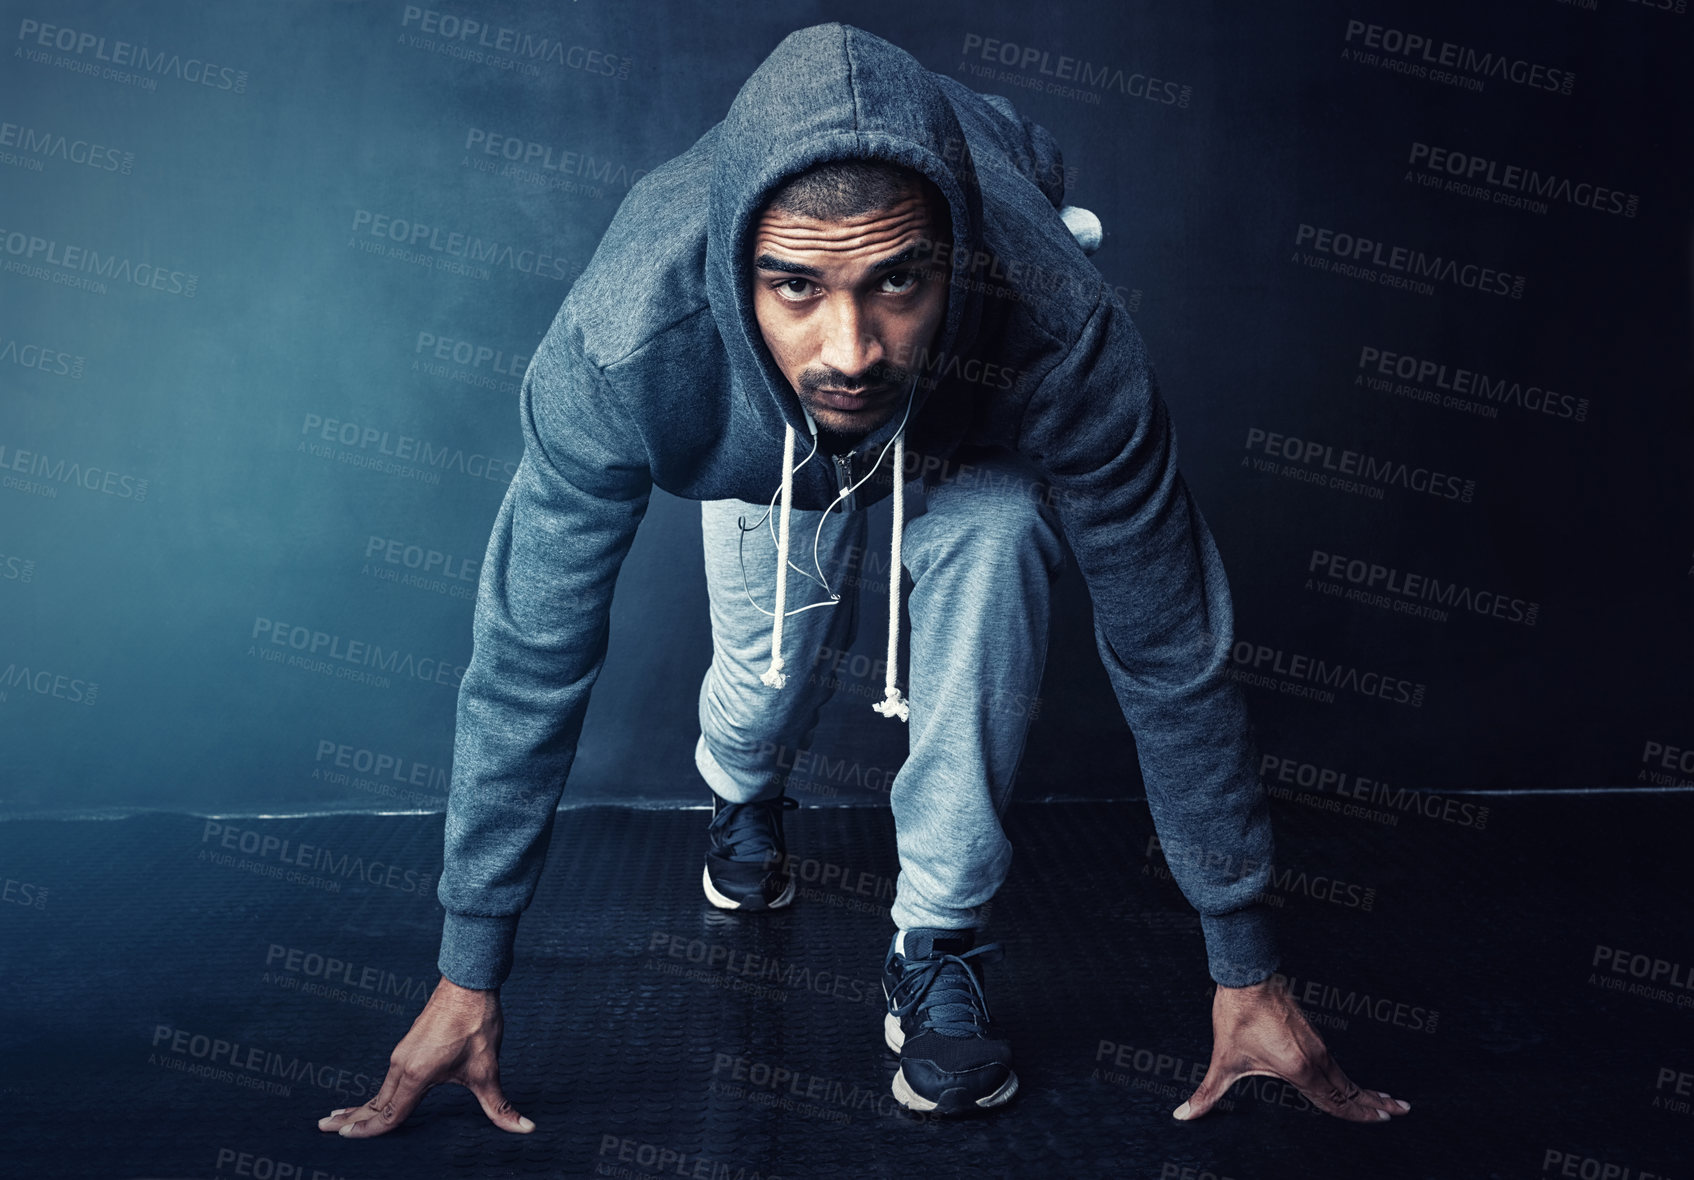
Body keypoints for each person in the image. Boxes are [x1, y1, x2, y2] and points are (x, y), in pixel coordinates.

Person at [318, 21, 1411, 1136]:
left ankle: (938, 941)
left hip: (965, 421)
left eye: (896, 281)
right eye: (794, 286)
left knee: (1000, 534)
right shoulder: (625, 345)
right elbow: (528, 658)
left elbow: (1169, 642)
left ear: (957, 255)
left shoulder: (1060, 326)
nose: (849, 348)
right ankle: (739, 791)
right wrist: (468, 970)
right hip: (757, 446)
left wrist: (1245, 963)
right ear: (733, 269)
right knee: (759, 692)